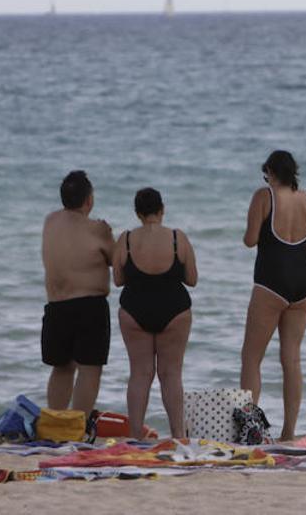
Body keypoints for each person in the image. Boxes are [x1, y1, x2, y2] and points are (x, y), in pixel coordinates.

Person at [239, 150, 306, 441]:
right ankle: (289, 431)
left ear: (271, 173)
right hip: (304, 281)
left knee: (251, 358)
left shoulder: (265, 196)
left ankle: (251, 429)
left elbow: (250, 240)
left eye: (266, 175)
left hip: (271, 280)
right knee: (292, 359)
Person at [112, 187, 197, 440]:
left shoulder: (125, 239)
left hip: (134, 309)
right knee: (171, 374)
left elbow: (117, 280)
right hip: (175, 310)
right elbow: (192, 279)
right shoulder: (177, 238)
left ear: (138, 213)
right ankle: (178, 435)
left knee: (140, 373)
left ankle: (136, 435)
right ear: (162, 210)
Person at [41, 170, 114, 414]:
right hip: (88, 307)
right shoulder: (97, 229)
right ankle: (78, 423)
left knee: (61, 367)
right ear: (89, 201)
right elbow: (115, 259)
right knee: (90, 368)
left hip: (56, 306)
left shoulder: (50, 222)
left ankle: (57, 421)